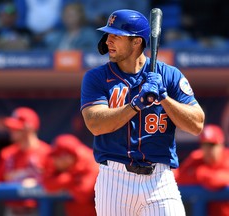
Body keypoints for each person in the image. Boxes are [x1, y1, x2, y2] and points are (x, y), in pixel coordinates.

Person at [80, 9, 205, 216]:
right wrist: (135, 104)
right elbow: (95, 124)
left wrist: (164, 98)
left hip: (159, 180)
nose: (108, 41)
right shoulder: (96, 77)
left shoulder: (169, 75)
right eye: (108, 35)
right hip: (115, 179)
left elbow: (196, 125)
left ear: (136, 42)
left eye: (116, 36)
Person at [0, 107, 51, 216]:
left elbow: (55, 182)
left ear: (30, 128)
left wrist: (37, 183)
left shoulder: (47, 152)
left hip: (37, 210)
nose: (11, 130)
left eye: (16, 127)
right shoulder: (6, 154)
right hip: (12, 210)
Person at [174, 124, 229, 216]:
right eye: (204, 144)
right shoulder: (196, 157)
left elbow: (220, 180)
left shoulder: (227, 157)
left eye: (212, 145)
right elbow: (178, 178)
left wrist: (199, 173)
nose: (208, 149)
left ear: (221, 145)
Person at [41, 134, 98, 216]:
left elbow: (83, 194)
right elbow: (47, 184)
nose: (54, 160)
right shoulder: (66, 167)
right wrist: (71, 178)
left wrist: (65, 180)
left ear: (67, 157)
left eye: (57, 156)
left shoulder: (91, 162)